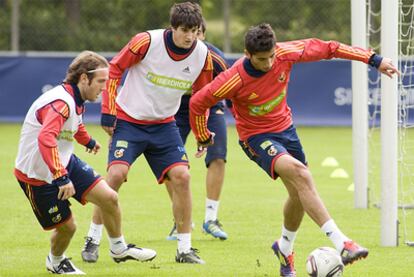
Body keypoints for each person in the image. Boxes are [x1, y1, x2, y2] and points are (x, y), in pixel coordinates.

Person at [189, 23, 400, 276]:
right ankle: (342, 242)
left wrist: (373, 59)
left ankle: (284, 247)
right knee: (301, 174)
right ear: (247, 54)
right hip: (256, 138)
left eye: (271, 57)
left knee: (298, 193)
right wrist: (202, 135)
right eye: (261, 60)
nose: (268, 64)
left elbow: (329, 48)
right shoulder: (234, 78)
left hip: (287, 131)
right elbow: (198, 102)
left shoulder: (285, 53)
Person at [81, 2, 212, 264]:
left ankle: (184, 249)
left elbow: (202, 97)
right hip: (129, 121)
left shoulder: (202, 55)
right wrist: (109, 111)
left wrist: (202, 133)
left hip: (164, 125)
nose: (190, 37)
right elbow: (115, 68)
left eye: (195, 30)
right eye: (184, 30)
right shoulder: (146, 41)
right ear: (172, 27)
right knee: (116, 175)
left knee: (182, 177)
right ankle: (92, 239)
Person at [14, 51, 156, 275]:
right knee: (68, 228)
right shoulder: (62, 102)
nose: (104, 88)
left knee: (109, 197)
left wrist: (87, 141)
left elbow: (75, 123)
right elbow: (46, 138)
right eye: (101, 82)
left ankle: (119, 249)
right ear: (83, 78)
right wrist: (61, 177)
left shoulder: (75, 98)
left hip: (63, 162)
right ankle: (56, 261)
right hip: (37, 175)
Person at [165, 19, 230, 241]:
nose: (192, 38)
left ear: (202, 34)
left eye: (197, 33)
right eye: (188, 32)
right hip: (178, 108)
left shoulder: (214, 56)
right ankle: (182, 220)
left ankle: (210, 219)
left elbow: (231, 83)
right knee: (168, 164)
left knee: (218, 157)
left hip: (210, 106)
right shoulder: (168, 54)